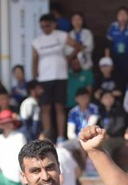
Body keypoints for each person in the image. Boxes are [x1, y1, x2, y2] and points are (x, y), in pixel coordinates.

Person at [32, 13, 83, 141]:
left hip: (60, 76)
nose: (45, 28)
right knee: (45, 108)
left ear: (53, 24)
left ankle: (60, 136)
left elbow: (77, 46)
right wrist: (35, 78)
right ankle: (47, 137)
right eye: (42, 26)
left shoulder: (62, 35)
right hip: (44, 78)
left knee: (59, 106)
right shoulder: (37, 41)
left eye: (47, 25)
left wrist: (68, 58)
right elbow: (34, 59)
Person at [105, 7, 128, 93]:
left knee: (127, 77)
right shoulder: (112, 27)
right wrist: (107, 58)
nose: (122, 17)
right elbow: (107, 44)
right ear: (117, 16)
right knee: (116, 77)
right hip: (115, 56)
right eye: (120, 14)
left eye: (125, 14)